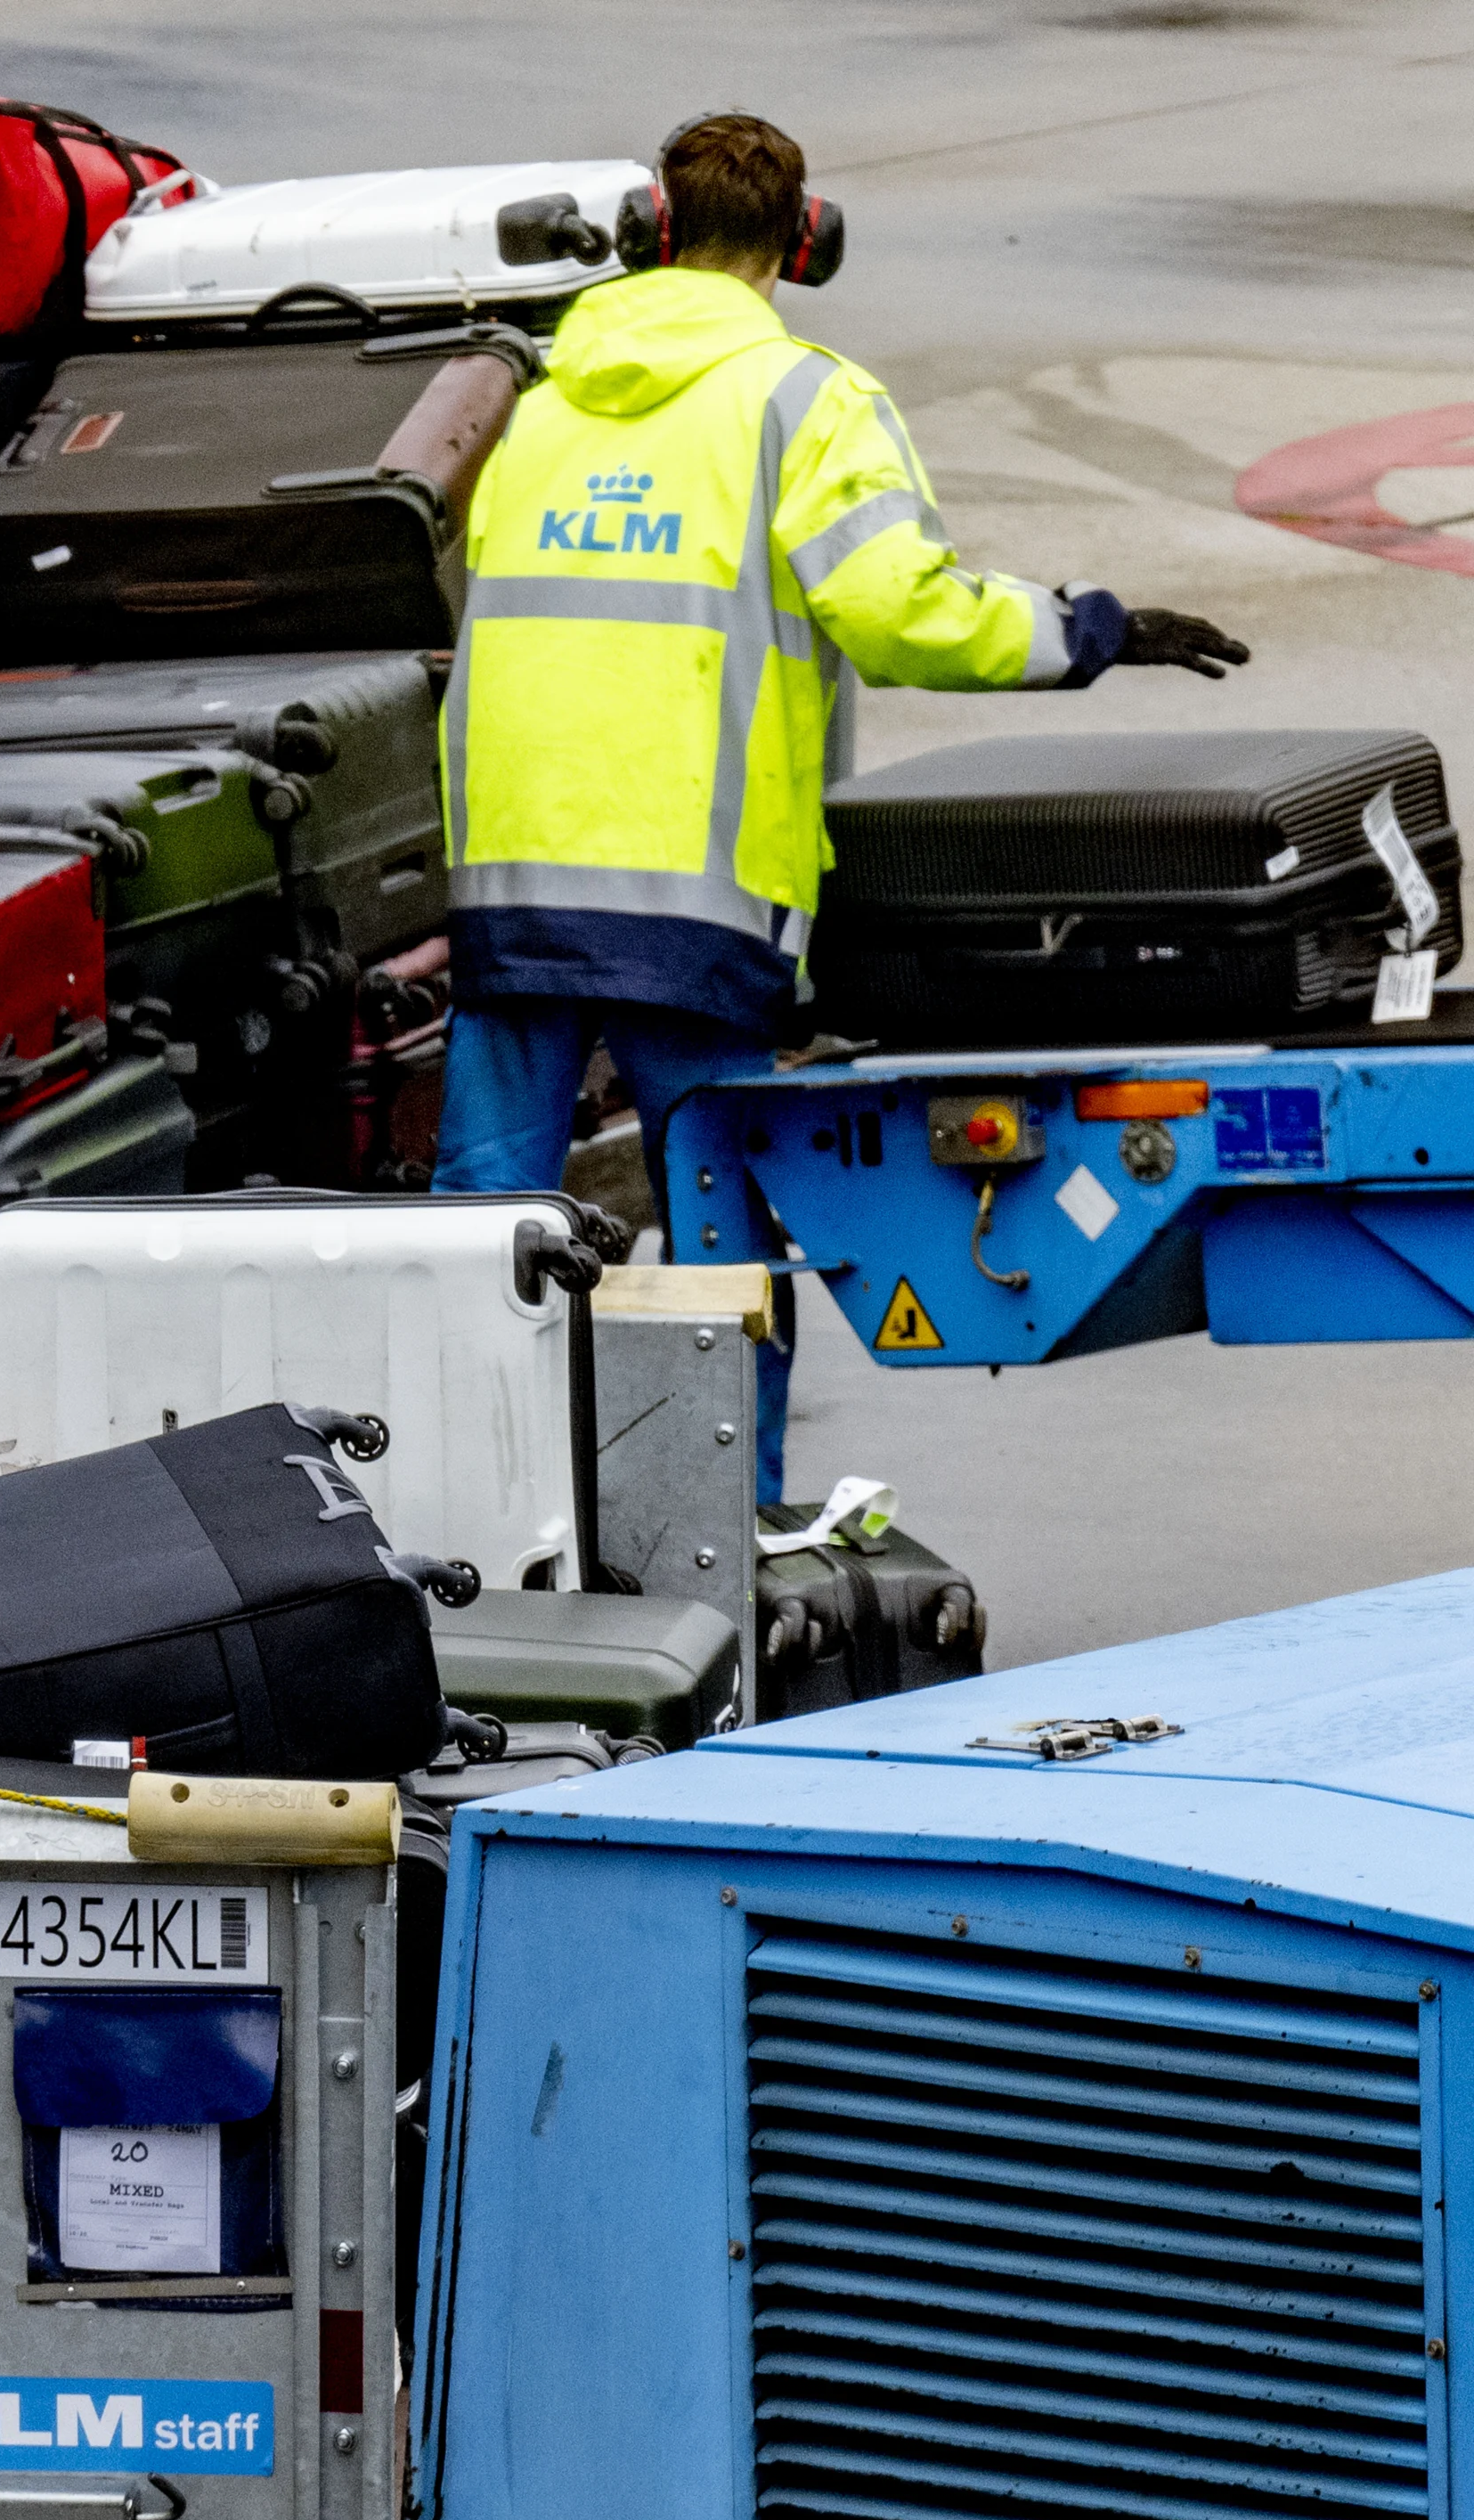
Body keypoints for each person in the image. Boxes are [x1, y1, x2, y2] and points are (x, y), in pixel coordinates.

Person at [432, 110, 1247, 1502]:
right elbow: (901, 612)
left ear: (651, 231)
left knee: (478, 1236)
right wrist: (1091, 630)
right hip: (691, 894)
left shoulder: (539, 405)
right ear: (802, 243)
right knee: (714, 1243)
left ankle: (466, 1520)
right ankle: (720, 1536)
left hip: (513, 881)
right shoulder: (801, 399)